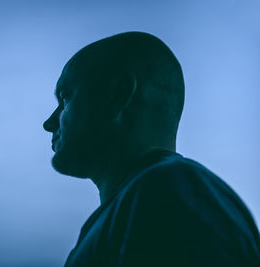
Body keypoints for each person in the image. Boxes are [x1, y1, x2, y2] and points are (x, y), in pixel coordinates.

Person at [42, 31, 260, 266]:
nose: (49, 123)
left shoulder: (168, 192)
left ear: (119, 96)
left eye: (65, 99)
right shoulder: (158, 197)